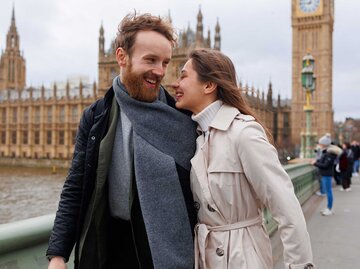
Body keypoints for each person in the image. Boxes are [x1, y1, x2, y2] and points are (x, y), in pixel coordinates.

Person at [46, 13, 197, 269]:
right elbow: (76, 185)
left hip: (161, 254)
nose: (160, 71)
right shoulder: (96, 116)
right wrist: (58, 253)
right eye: (150, 60)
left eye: (166, 62)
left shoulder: (183, 117)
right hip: (107, 247)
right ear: (121, 57)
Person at [171, 48, 315, 269]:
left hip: (242, 258)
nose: (174, 84)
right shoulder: (199, 136)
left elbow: (286, 207)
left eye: (183, 75)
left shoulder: (243, 133)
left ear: (209, 85)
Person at [312, 135, 342, 216]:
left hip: (327, 174)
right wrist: (317, 162)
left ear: (324, 144)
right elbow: (324, 162)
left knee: (328, 191)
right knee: (328, 191)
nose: (319, 145)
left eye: (320, 143)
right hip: (326, 174)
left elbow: (325, 165)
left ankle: (329, 208)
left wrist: (315, 163)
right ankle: (329, 208)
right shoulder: (328, 152)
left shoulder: (329, 153)